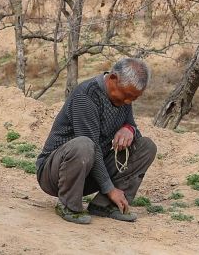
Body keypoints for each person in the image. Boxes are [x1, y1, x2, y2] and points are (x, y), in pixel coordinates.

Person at [35, 58, 157, 224]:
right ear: (113, 78)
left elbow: (134, 130)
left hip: (88, 173)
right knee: (85, 144)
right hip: (55, 174)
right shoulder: (86, 95)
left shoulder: (122, 98)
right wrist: (110, 189)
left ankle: (105, 205)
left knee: (146, 147)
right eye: (127, 95)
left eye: (134, 99)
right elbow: (92, 147)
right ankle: (69, 205)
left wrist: (129, 129)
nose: (128, 102)